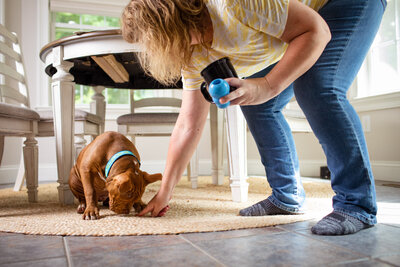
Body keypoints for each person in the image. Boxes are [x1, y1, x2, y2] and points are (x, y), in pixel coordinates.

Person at [121, 0, 386, 235]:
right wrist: (165, 191)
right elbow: (187, 126)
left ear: (170, 27)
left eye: (153, 44)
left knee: (317, 88)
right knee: (256, 103)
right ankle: (287, 197)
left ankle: (356, 204)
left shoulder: (235, 4)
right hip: (300, 23)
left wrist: (268, 85)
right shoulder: (194, 55)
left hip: (341, 4)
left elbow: (315, 31)